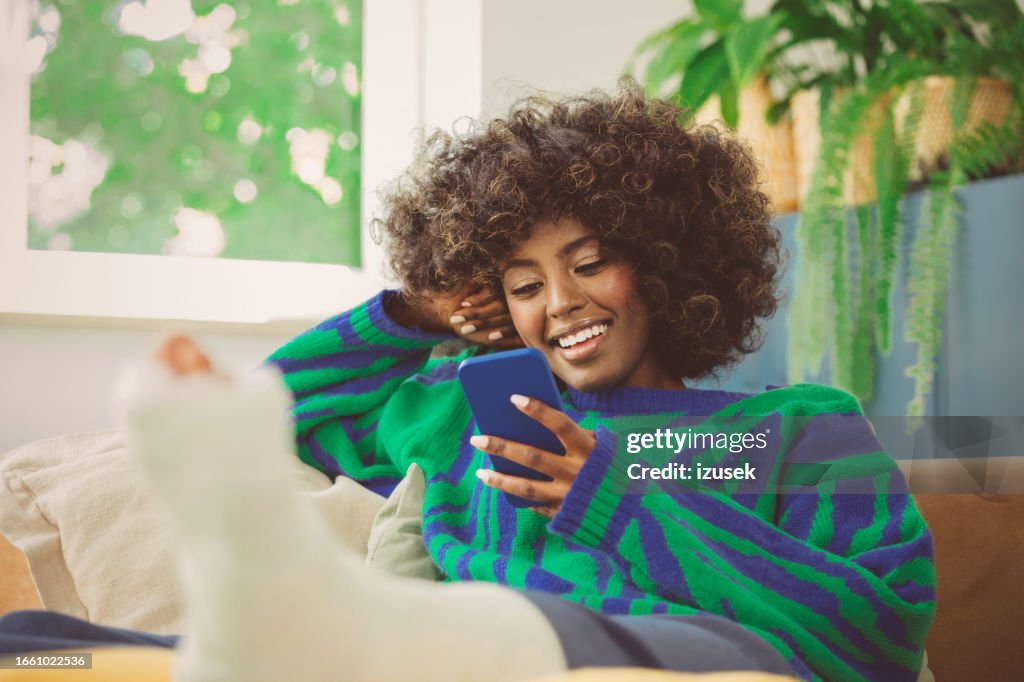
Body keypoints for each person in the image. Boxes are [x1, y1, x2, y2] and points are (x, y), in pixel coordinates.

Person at [0, 82, 934, 682]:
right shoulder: (464, 406)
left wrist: (610, 501)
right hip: (426, 645)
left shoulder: (796, 430)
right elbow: (270, 412)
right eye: (523, 284)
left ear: (664, 258)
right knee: (40, 650)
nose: (559, 302)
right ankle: (296, 641)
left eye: (590, 262)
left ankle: (309, 642)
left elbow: (881, 631)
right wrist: (414, 318)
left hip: (687, 656)